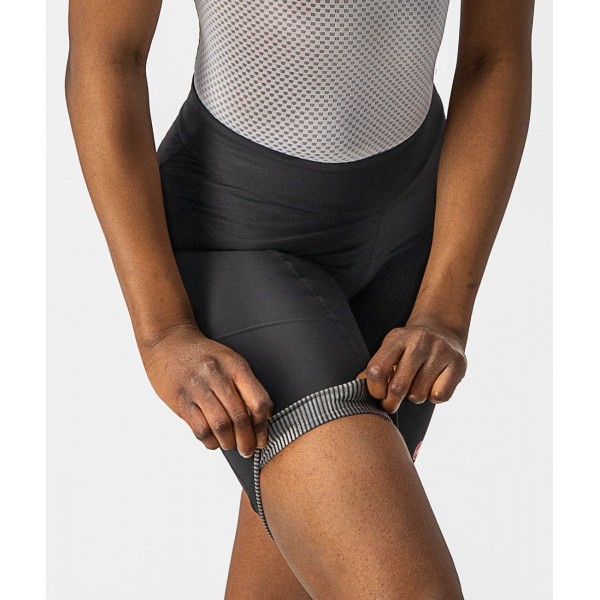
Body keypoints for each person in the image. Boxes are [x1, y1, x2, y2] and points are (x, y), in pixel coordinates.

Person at [65, 0, 534, 597]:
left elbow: (495, 57)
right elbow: (107, 57)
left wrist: (444, 310)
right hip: (237, 240)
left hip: (413, 243)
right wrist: (162, 331)